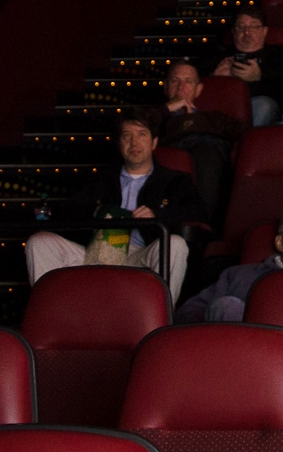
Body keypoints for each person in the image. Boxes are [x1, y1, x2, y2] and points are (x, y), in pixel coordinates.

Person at [26, 109, 201, 305]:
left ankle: (161, 317)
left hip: (140, 253)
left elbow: (198, 211)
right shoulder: (102, 179)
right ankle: (51, 316)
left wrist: (157, 216)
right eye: (127, 136)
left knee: (175, 244)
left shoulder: (174, 181)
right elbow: (68, 210)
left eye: (141, 135)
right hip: (97, 250)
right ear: (119, 144)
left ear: (154, 142)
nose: (134, 143)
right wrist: (95, 213)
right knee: (39, 243)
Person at [176, 204, 283, 323]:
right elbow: (186, 313)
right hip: (243, 353)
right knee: (228, 306)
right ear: (280, 242)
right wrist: (223, 315)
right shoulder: (238, 275)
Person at [158, 61, 243, 221]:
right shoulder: (156, 119)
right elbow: (129, 126)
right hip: (169, 163)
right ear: (166, 87)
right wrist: (167, 109)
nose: (181, 87)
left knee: (207, 153)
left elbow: (248, 135)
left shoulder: (214, 119)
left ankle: (201, 224)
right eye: (175, 81)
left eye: (188, 81)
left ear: (198, 90)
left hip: (208, 159)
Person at [213, 9, 283, 127]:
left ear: (264, 31)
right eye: (241, 27)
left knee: (263, 105)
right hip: (226, 108)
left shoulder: (279, 54)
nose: (246, 32)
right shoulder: (219, 55)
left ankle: (247, 143)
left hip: (264, 108)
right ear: (233, 31)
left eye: (253, 27)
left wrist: (260, 74)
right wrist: (216, 80)